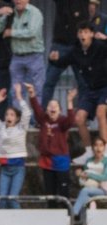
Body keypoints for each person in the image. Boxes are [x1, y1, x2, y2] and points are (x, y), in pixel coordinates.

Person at [50, 22, 107, 163]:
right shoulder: (75, 51)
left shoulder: (100, 47)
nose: (83, 35)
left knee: (101, 113)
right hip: (89, 89)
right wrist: (53, 60)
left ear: (92, 34)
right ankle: (88, 152)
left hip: (104, 87)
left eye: (86, 32)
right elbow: (62, 62)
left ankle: (105, 152)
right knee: (79, 118)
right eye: (81, 32)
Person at [27, 83, 76, 208]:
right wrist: (32, 94)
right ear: (47, 109)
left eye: (55, 106)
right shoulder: (43, 120)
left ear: (59, 110)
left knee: (63, 191)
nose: (52, 108)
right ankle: (52, 213)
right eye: (50, 106)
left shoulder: (62, 121)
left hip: (60, 159)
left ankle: (66, 215)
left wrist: (69, 102)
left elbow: (71, 121)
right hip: (47, 160)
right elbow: (37, 109)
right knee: (50, 192)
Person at [0, 84, 30, 209]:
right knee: (3, 200)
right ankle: (2, 224)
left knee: (12, 199)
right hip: (5, 168)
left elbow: (27, 113)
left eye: (12, 115)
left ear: (17, 118)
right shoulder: (1, 127)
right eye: (7, 114)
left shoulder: (21, 128)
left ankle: (19, 224)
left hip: (18, 167)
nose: (8, 117)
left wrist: (19, 97)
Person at [0, 0, 44, 107]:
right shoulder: (10, 13)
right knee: (16, 91)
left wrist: (12, 32)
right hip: (17, 57)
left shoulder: (35, 12)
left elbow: (32, 32)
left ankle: (35, 121)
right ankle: (18, 120)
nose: (18, 0)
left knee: (36, 91)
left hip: (34, 56)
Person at [42, 0, 88, 108]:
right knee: (49, 81)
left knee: (83, 83)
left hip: (78, 46)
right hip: (60, 44)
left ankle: (83, 116)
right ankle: (43, 115)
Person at [72, 136, 107, 216]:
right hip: (90, 189)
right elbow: (84, 176)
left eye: (101, 145)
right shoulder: (88, 161)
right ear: (92, 148)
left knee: (85, 191)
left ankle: (73, 215)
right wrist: (80, 174)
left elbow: (104, 177)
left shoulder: (106, 161)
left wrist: (89, 175)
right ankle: (84, 221)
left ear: (104, 148)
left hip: (104, 190)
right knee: (85, 195)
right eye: (96, 145)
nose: (98, 148)